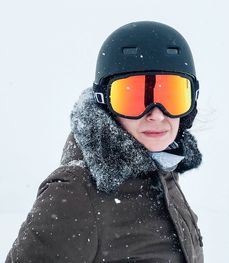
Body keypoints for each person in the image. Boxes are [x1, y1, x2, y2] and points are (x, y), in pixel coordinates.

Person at [6, 21, 203, 263]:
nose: (157, 114)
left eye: (172, 96)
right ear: (105, 104)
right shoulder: (75, 193)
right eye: (133, 98)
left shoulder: (162, 172)